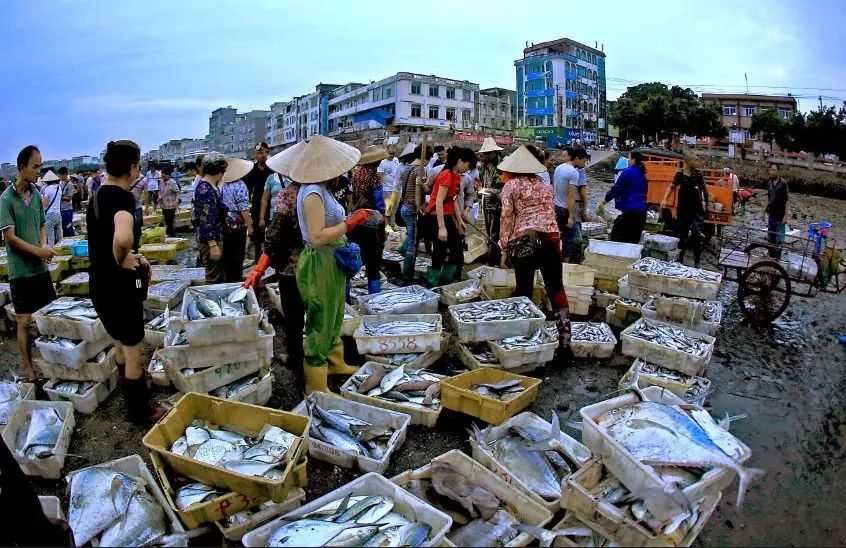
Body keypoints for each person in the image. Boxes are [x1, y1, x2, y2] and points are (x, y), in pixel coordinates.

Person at [86, 140, 164, 423]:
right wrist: (121, 258)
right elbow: (122, 237)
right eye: (138, 165)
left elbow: (104, 240)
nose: (139, 170)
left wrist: (133, 257)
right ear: (131, 168)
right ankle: (139, 411)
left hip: (99, 283)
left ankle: (128, 387)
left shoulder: (96, 197)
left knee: (119, 341)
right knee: (133, 348)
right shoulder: (122, 198)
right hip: (121, 287)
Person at [292, 136, 378, 394]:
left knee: (334, 312)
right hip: (320, 261)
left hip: (332, 259)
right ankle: (315, 381)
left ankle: (335, 362)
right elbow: (317, 235)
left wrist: (352, 218)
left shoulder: (322, 189)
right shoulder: (312, 193)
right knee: (320, 318)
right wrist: (350, 223)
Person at [498, 146, 571, 359]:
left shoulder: (511, 186)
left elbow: (506, 218)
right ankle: (565, 342)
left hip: (525, 240)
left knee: (524, 289)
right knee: (556, 288)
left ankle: (525, 342)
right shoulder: (545, 185)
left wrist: (504, 248)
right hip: (551, 239)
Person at [245, 141, 308, 373]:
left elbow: (274, 236)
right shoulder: (320, 191)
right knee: (314, 309)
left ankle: (295, 356)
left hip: (291, 265)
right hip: (316, 262)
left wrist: (259, 268)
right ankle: (316, 352)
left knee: (293, 311)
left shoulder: (288, 195)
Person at [1, 145, 57, 381]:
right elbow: (11, 238)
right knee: (24, 322)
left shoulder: (36, 195)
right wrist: (38, 251)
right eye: (35, 166)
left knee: (48, 319)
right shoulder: (6, 199)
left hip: (40, 271)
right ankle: (29, 370)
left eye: (40, 166)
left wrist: (43, 245)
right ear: (22, 167)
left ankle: (53, 364)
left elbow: (42, 224)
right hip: (21, 273)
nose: (38, 171)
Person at [423, 147, 475, 286]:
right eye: (468, 165)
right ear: (460, 161)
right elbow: (439, 201)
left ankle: (446, 282)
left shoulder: (456, 176)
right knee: (439, 251)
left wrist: (460, 220)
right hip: (436, 217)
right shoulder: (446, 175)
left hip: (448, 216)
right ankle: (432, 283)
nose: (467, 169)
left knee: (456, 251)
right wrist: (442, 227)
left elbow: (453, 200)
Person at [349, 147, 388, 294]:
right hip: (371, 219)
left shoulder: (357, 174)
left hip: (356, 218)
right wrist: (382, 216)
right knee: (373, 261)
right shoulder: (374, 176)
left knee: (356, 254)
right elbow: (378, 201)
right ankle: (374, 294)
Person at [661, 153, 708, 268]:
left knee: (697, 234)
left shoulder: (698, 174)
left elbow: (704, 189)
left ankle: (697, 262)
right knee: (682, 235)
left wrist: (707, 205)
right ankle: (680, 260)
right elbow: (672, 186)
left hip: (696, 209)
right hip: (683, 209)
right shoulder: (679, 174)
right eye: (694, 160)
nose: (697, 162)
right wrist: (665, 199)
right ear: (687, 161)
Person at [398, 144, 433, 282]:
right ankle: (407, 275)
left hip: (404, 206)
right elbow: (419, 193)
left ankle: (403, 249)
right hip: (412, 207)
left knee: (412, 236)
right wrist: (420, 206)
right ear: (427, 158)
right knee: (412, 244)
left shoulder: (407, 168)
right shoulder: (420, 170)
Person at [193, 152, 230, 283]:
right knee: (213, 277)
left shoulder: (210, 186)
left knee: (217, 274)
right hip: (210, 241)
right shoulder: (205, 189)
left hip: (216, 236)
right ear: (219, 170)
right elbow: (206, 219)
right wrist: (213, 245)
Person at [600, 151, 649, 244]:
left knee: (617, 237)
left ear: (633, 160)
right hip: (642, 213)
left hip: (630, 211)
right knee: (633, 241)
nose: (628, 161)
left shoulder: (627, 172)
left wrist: (604, 201)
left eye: (629, 158)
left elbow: (616, 189)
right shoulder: (642, 174)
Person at [219, 159, 254, 283]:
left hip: (226, 221)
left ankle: (228, 278)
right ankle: (236, 279)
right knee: (238, 253)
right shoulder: (240, 185)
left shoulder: (223, 185)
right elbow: (243, 208)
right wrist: (249, 226)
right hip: (238, 223)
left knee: (228, 252)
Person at [553, 148, 588, 262]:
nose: (584, 164)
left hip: (555, 206)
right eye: (583, 161)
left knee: (557, 235)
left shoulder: (559, 167)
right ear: (576, 159)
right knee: (567, 238)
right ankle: (566, 263)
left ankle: (556, 260)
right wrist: (570, 216)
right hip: (564, 209)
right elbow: (571, 196)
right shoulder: (574, 173)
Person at [243, 142, 273, 259]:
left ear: (267, 152)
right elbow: (248, 189)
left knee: (271, 232)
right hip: (256, 203)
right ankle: (258, 258)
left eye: (262, 153)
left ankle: (270, 258)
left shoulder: (272, 168)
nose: (259, 156)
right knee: (257, 234)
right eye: (257, 153)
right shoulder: (252, 169)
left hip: (270, 203)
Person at [478, 137, 505, 266]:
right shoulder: (484, 168)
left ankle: (495, 259)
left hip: (498, 205)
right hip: (487, 203)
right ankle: (492, 258)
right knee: (490, 232)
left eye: (486, 154)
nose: (483, 156)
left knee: (496, 233)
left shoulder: (502, 168)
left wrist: (490, 190)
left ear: (493, 154)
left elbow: (504, 188)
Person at [764, 163, 789, 250]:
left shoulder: (783, 183)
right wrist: (763, 212)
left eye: (774, 170)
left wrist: (786, 216)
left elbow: (787, 200)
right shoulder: (769, 183)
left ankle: (778, 256)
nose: (772, 172)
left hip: (780, 215)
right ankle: (770, 255)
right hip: (771, 214)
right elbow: (769, 199)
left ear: (778, 171)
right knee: (770, 238)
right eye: (771, 170)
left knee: (779, 241)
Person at [378, 145, 401, 229]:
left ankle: (393, 224)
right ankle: (387, 227)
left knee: (395, 209)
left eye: (393, 153)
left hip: (396, 188)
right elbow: (380, 176)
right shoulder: (382, 163)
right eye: (390, 153)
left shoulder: (396, 160)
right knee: (388, 209)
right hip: (387, 189)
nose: (392, 155)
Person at [39, 170, 63, 247]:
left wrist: (41, 197)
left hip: (50, 214)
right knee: (59, 235)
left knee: (50, 237)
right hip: (58, 213)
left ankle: (51, 251)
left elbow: (45, 204)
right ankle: (62, 248)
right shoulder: (59, 188)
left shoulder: (48, 189)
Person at [158, 165, 180, 237]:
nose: (163, 178)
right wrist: (159, 197)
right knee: (167, 220)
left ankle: (172, 234)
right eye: (162, 176)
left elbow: (178, 192)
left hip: (171, 205)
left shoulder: (172, 182)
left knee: (170, 220)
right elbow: (159, 191)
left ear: (168, 175)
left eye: (164, 176)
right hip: (164, 205)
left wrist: (176, 201)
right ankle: (170, 233)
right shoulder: (161, 182)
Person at [57, 167, 76, 236]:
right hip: (61, 209)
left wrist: (59, 197)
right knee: (64, 228)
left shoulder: (70, 184)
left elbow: (69, 198)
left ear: (65, 174)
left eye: (60, 175)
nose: (59, 177)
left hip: (67, 209)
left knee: (68, 227)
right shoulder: (61, 184)